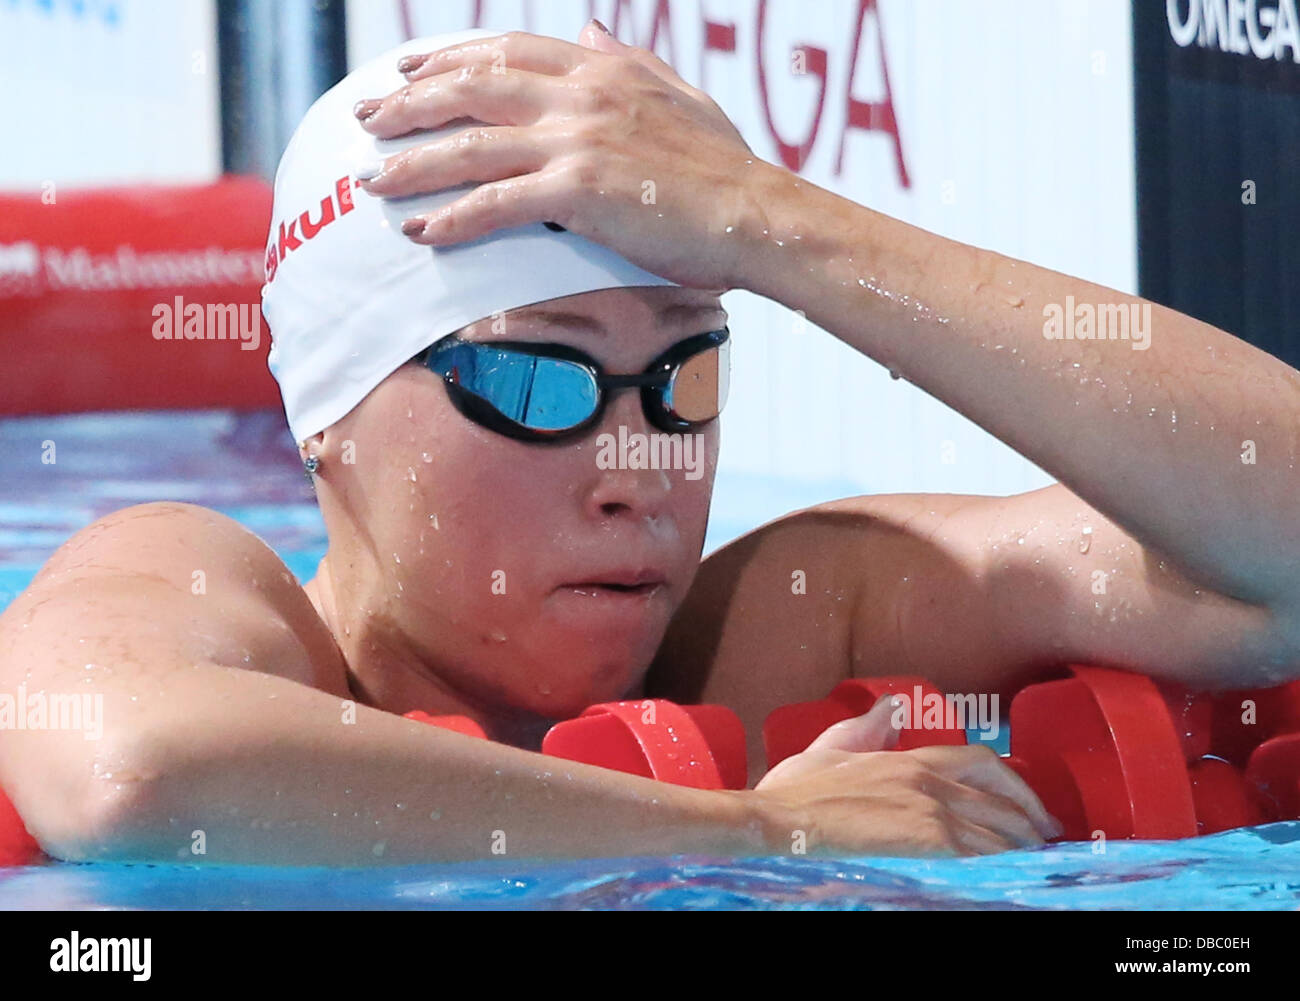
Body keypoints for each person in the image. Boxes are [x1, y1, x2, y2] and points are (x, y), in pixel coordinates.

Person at [1, 22, 1296, 866]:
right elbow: (130, 767)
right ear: (323, 413)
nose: (641, 472)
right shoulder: (202, 586)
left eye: (684, 372)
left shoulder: (782, 626)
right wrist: (749, 826)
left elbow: (1274, 559)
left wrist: (781, 228)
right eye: (533, 377)